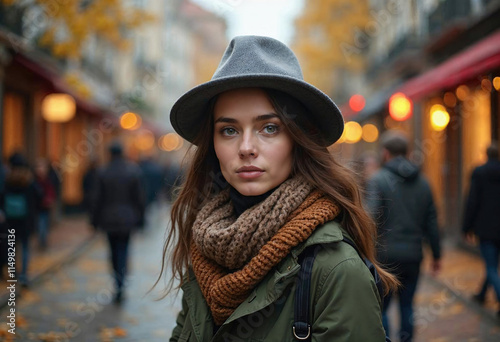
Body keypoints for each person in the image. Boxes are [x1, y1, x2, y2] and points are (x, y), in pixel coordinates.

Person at [159, 35, 398, 341]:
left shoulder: (336, 270)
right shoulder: (206, 248)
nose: (246, 148)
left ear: (298, 140)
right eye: (229, 130)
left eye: (269, 128)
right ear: (213, 144)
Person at [365, 131, 441, 342]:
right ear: (406, 153)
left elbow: (370, 218)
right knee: (407, 306)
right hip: (413, 255)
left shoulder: (377, 180)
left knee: (382, 308)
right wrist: (437, 255)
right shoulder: (424, 182)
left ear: (385, 153)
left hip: (384, 257)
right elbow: (432, 222)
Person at [91, 142, 145, 303]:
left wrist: (94, 220)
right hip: (127, 219)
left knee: (113, 251)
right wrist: (141, 218)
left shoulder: (103, 172)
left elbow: (96, 198)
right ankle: (121, 282)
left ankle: (117, 281)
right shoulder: (133, 171)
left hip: (108, 219)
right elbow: (139, 198)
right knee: (124, 250)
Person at [462, 143, 500, 315]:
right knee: (492, 264)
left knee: (491, 266)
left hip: (485, 227)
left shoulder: (479, 172)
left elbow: (472, 201)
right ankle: (482, 294)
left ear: (486, 154)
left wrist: (466, 227)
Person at [1, 153, 42, 286]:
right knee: (25, 247)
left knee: (12, 246)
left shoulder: (8, 180)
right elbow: (38, 196)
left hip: (11, 220)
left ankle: (14, 273)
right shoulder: (28, 181)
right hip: (25, 221)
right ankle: (24, 275)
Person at [34, 158, 56, 250]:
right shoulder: (34, 180)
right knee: (40, 225)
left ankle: (43, 241)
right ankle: (41, 241)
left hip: (45, 206)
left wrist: (50, 199)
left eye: (42, 167)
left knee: (44, 224)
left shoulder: (48, 180)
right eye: (39, 167)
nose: (40, 169)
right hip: (38, 207)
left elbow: (51, 191)